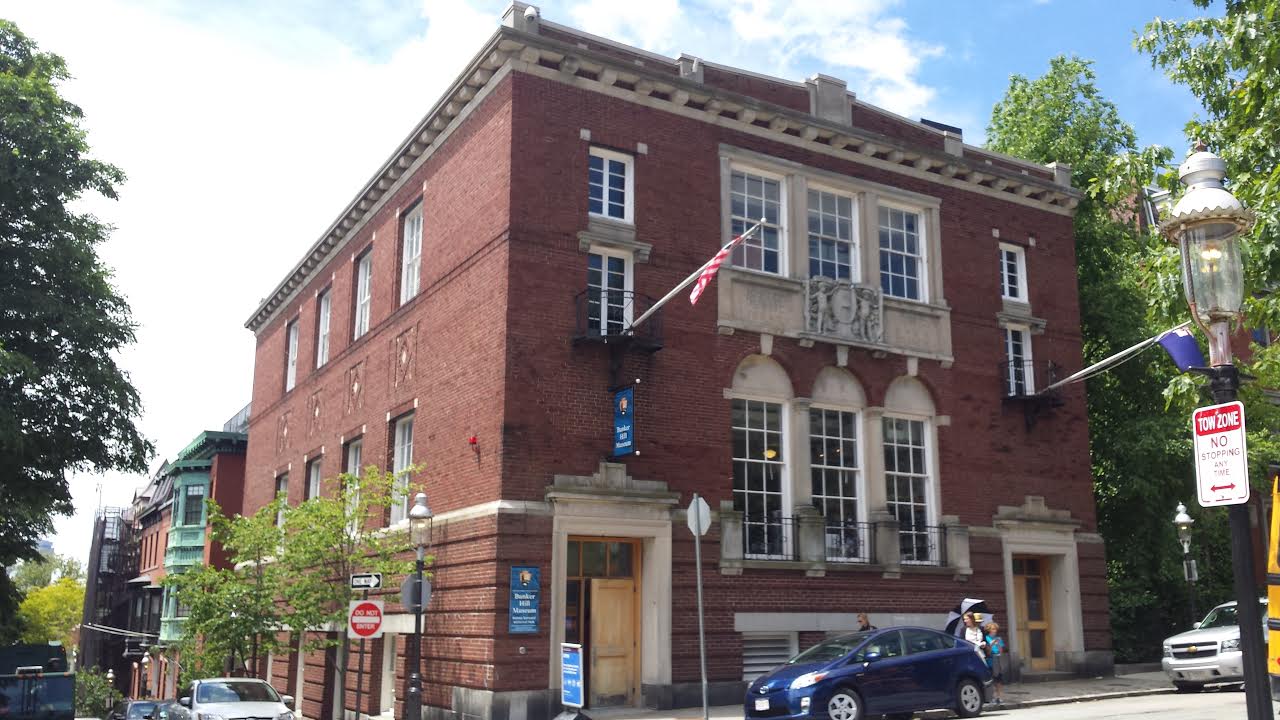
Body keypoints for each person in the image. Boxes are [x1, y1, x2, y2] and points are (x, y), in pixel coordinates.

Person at [984, 621, 1006, 704]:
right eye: (993, 629)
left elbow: (1001, 651)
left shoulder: (998, 638)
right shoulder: (986, 638)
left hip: (998, 658)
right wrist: (991, 645)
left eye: (995, 629)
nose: (995, 631)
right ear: (989, 630)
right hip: (990, 659)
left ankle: (999, 697)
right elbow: (988, 652)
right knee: (992, 679)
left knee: (999, 679)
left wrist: (998, 645)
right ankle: (992, 697)